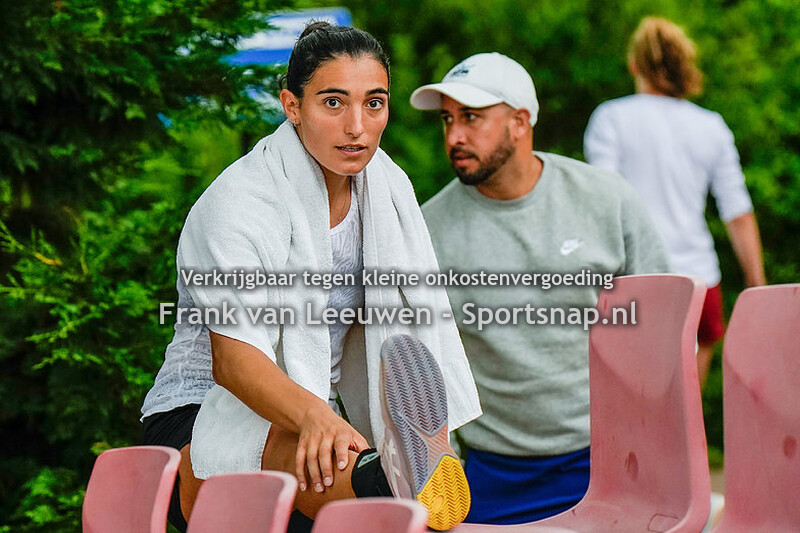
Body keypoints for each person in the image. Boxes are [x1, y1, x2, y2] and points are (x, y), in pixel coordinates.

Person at [141, 22, 480, 532]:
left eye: (374, 103)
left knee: (324, 450)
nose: (357, 127)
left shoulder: (385, 188)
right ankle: (390, 478)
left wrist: (331, 419)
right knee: (310, 446)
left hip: (311, 419)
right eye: (333, 102)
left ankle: (402, 468)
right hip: (196, 418)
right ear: (292, 106)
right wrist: (318, 417)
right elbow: (233, 362)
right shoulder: (240, 202)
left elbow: (414, 310)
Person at [410, 52, 671, 525]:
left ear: (519, 121)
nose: (454, 136)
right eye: (447, 119)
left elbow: (661, 334)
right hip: (490, 473)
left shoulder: (606, 200)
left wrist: (653, 445)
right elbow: (422, 368)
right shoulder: (427, 230)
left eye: (471, 117)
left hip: (609, 460)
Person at [584, 17, 766, 386]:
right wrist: (757, 288)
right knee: (687, 412)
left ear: (635, 65)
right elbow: (738, 213)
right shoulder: (711, 125)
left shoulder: (611, 119)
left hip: (633, 284)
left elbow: (601, 202)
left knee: (633, 408)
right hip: (699, 282)